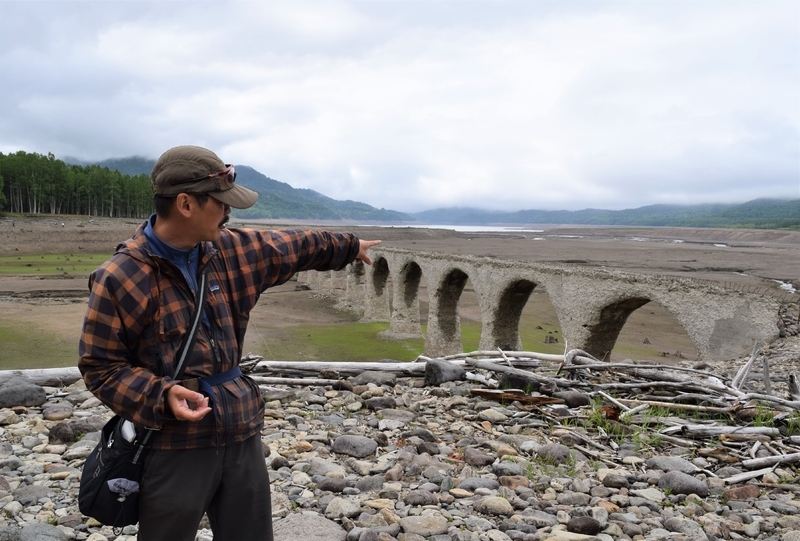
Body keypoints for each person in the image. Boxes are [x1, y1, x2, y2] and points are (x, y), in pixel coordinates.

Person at [78, 145, 380, 541]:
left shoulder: (232, 251)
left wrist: (349, 247)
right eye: (221, 203)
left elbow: (298, 246)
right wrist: (161, 394)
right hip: (172, 443)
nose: (228, 213)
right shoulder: (121, 276)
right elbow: (101, 366)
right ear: (186, 203)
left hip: (241, 431)